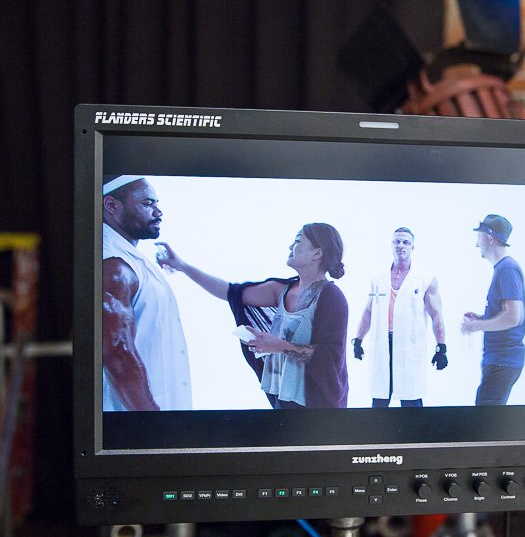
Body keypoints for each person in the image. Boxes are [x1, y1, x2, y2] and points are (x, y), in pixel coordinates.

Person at [158, 223, 348, 409]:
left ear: (317, 253)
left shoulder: (331, 297)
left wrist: (279, 346)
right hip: (283, 401)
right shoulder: (282, 290)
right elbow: (228, 291)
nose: (291, 246)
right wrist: (182, 266)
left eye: (298, 241)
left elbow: (330, 358)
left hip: (318, 408)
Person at [102, 175, 192, 411]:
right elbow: (118, 354)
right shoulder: (114, 264)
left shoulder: (128, 257)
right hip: (138, 418)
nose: (158, 212)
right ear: (111, 205)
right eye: (147, 203)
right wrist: (151, 420)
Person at [352, 227, 447, 407]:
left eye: (406, 242)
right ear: (391, 245)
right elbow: (369, 311)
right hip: (382, 344)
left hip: (409, 347)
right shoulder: (378, 278)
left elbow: (436, 315)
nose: (401, 245)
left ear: (412, 247)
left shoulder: (425, 278)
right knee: (380, 401)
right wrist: (358, 340)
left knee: (411, 401)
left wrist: (441, 347)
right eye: (397, 241)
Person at [461, 214, 525, 405]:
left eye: (478, 237)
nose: (476, 244)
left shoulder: (507, 269)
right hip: (500, 361)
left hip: (502, 361)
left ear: (489, 239)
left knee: (486, 418)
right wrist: (482, 318)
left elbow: (514, 317)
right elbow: (507, 313)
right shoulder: (503, 268)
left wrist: (476, 326)